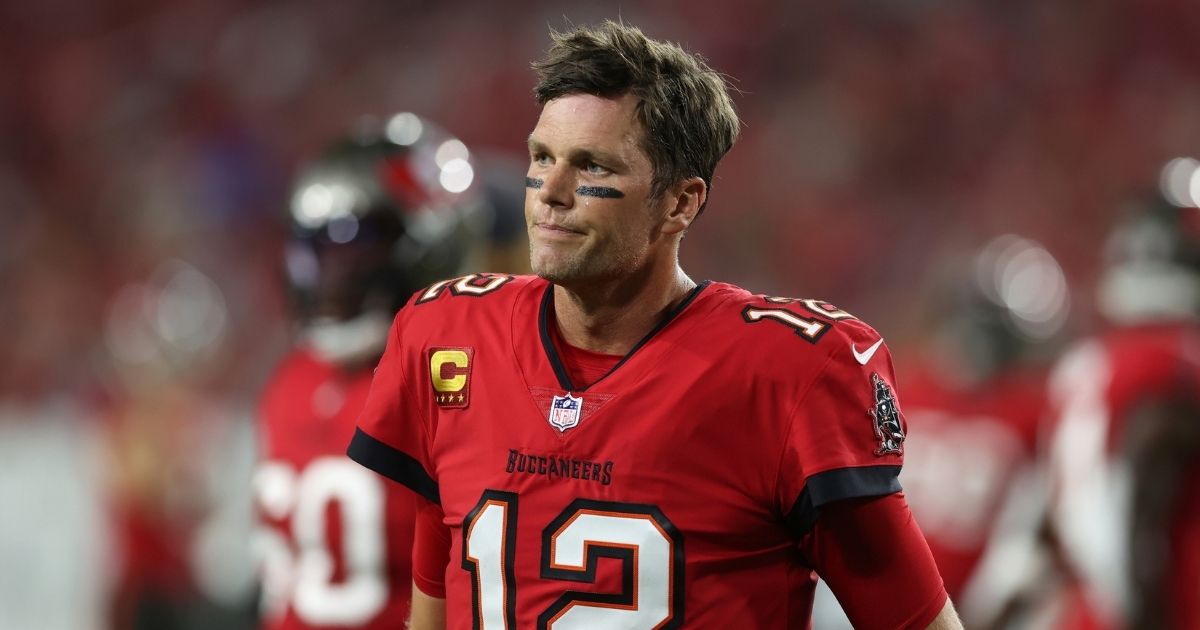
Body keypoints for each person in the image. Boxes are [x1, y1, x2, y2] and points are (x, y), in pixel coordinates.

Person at [348, 21, 962, 629]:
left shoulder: (789, 373)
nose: (550, 192)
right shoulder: (448, 331)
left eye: (592, 167)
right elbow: (436, 599)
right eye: (542, 157)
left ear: (680, 203)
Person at [254, 113, 491, 630]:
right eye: (318, 253)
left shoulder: (448, 387)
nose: (332, 279)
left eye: (355, 250)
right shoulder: (295, 380)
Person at [1043, 189, 1200, 630]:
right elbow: (1141, 490)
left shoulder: (1086, 363)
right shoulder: (1177, 362)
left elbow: (1050, 522)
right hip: (1153, 610)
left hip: (1088, 609)